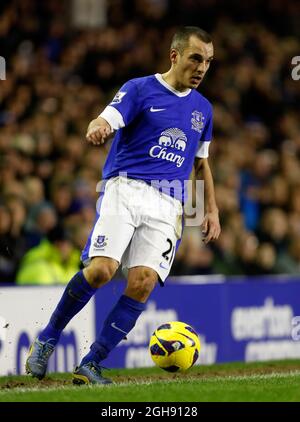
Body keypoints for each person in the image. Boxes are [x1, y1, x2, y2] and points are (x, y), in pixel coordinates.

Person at [26, 26, 221, 385]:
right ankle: (47, 337)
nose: (202, 68)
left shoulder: (203, 110)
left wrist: (212, 209)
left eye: (208, 61)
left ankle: (92, 363)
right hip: (126, 188)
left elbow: (200, 162)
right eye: (196, 58)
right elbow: (106, 119)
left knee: (143, 281)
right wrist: (97, 126)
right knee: (101, 270)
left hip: (168, 204)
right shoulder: (139, 89)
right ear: (175, 55)